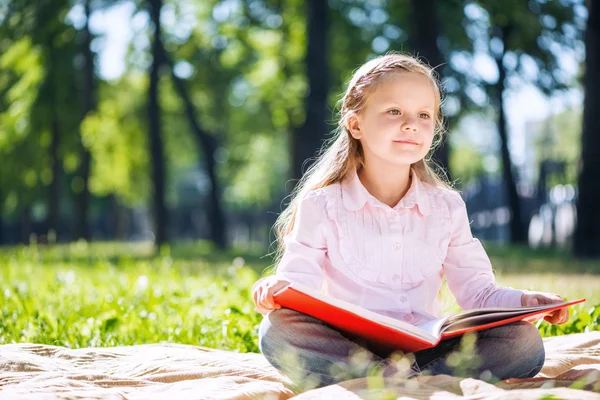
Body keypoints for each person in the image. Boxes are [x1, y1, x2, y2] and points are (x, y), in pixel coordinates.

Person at [252, 52, 569, 390]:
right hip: (349, 348)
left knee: (523, 340)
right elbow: (298, 283)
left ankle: (391, 381)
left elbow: (478, 291)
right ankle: (404, 380)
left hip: (429, 348)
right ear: (355, 124)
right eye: (394, 112)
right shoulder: (322, 205)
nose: (411, 124)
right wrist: (275, 289)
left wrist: (525, 301)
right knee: (276, 329)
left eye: (423, 115)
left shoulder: (446, 207)